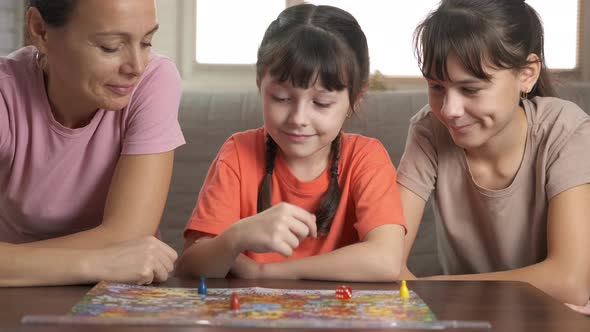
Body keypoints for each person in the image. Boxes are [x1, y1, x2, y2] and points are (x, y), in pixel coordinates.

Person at [176, 4, 406, 281]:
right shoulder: (238, 153)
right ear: (260, 85)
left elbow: (386, 260)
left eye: (321, 103)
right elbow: (189, 268)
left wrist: (265, 271)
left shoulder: (365, 158)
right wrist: (235, 237)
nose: (298, 118)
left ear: (355, 99)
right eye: (281, 98)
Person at [397, 0, 590, 306]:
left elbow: (571, 282)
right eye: (436, 87)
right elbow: (387, 255)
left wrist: (436, 288)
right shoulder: (429, 130)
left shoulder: (565, 129)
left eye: (470, 89)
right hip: (469, 315)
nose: (449, 110)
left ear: (527, 74)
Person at [0, 0, 184, 286]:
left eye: (147, 42)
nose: (136, 66)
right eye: (110, 46)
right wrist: (97, 263)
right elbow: (120, 247)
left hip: (123, 295)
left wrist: (14, 263)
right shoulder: (6, 92)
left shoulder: (154, 80)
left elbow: (129, 233)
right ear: (40, 30)